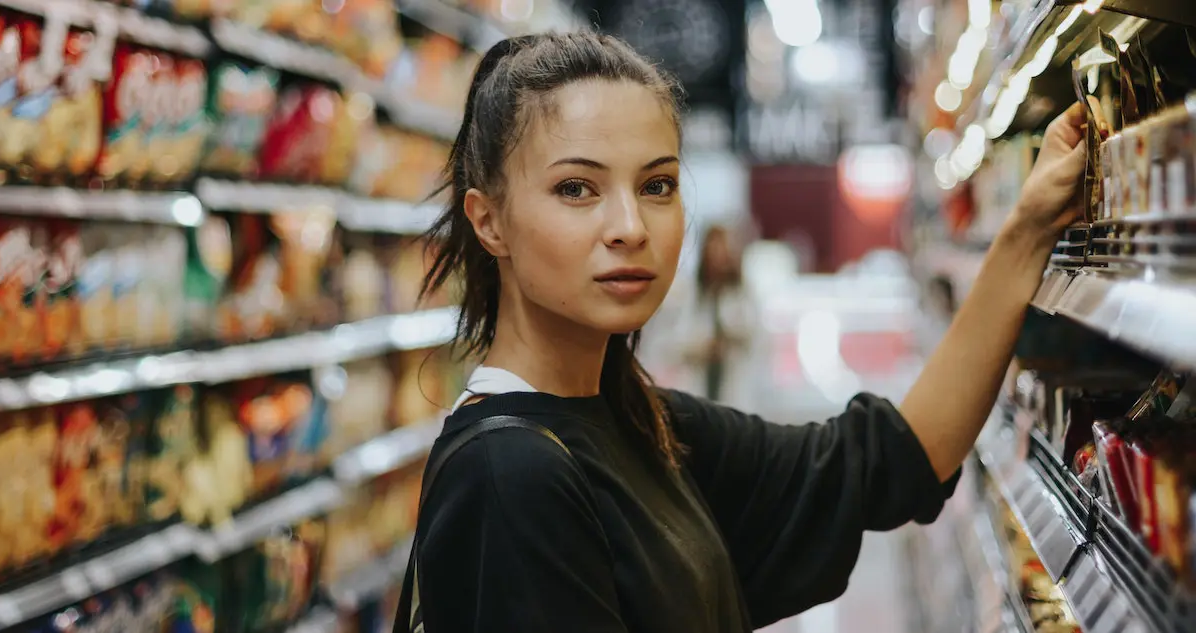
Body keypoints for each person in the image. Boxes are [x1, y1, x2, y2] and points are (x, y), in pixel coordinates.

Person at [395, 31, 1086, 633]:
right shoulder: (510, 477)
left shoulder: (638, 420)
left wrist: (1029, 229)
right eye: (577, 188)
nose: (631, 227)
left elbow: (889, 460)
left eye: (658, 185)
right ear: (488, 221)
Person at [649, 224, 761, 409]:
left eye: (723, 252)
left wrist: (730, 340)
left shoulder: (741, 294)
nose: (718, 259)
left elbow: (756, 338)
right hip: (698, 383)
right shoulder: (690, 295)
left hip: (734, 385)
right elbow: (668, 344)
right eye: (713, 252)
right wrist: (700, 346)